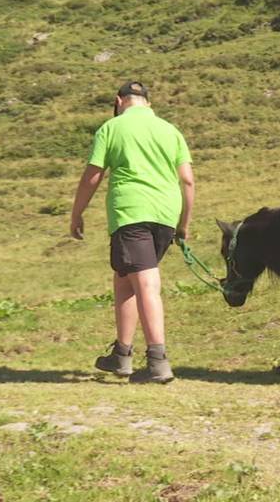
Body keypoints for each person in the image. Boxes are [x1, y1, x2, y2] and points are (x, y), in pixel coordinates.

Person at [69, 81, 194, 384]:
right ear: (148, 103)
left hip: (132, 212)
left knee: (146, 283)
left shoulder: (112, 128)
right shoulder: (170, 130)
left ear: (118, 100)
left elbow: (93, 176)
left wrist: (76, 213)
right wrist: (184, 224)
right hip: (166, 214)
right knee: (125, 277)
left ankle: (158, 360)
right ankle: (121, 354)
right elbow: (188, 181)